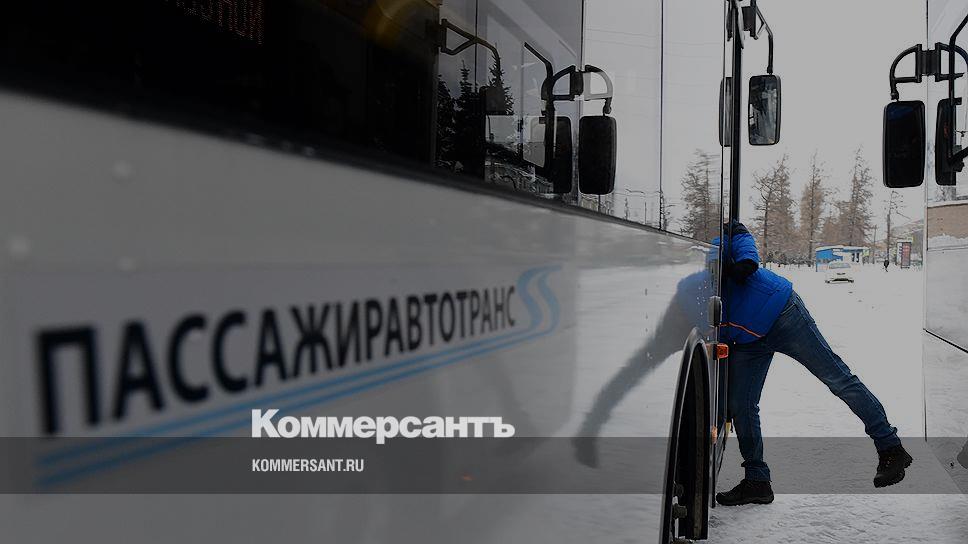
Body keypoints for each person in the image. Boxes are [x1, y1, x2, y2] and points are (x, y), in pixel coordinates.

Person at [715, 220, 911, 507]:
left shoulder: (712, 245)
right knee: (741, 405)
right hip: (748, 338)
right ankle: (757, 481)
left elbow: (740, 236)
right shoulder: (684, 286)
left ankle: (890, 447)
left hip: (782, 313)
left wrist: (744, 261)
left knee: (837, 378)